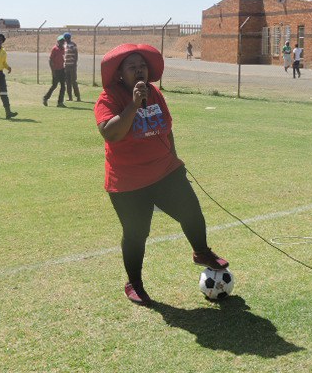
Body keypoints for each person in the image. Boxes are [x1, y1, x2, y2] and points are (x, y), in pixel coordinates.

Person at [94, 43, 229, 306]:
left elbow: (167, 128)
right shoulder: (108, 98)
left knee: (191, 211)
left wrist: (175, 160)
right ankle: (134, 283)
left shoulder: (154, 93)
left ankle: (201, 251)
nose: (139, 70)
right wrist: (133, 104)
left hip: (165, 170)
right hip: (128, 181)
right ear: (120, 74)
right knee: (136, 233)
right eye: (132, 67)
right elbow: (111, 133)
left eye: (142, 65)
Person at [43, 36, 66, 107]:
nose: (62, 42)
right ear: (58, 41)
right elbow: (50, 60)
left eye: (63, 41)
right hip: (56, 70)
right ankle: (45, 98)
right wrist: (53, 71)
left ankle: (60, 102)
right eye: (61, 41)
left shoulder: (63, 49)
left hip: (62, 69)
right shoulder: (55, 49)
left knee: (63, 86)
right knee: (54, 85)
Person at [63, 32, 81, 102]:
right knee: (68, 82)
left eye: (65, 38)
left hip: (72, 66)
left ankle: (78, 97)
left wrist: (74, 64)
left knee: (74, 81)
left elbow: (76, 55)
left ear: (67, 38)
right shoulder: (65, 45)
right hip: (66, 66)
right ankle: (70, 97)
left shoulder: (73, 45)